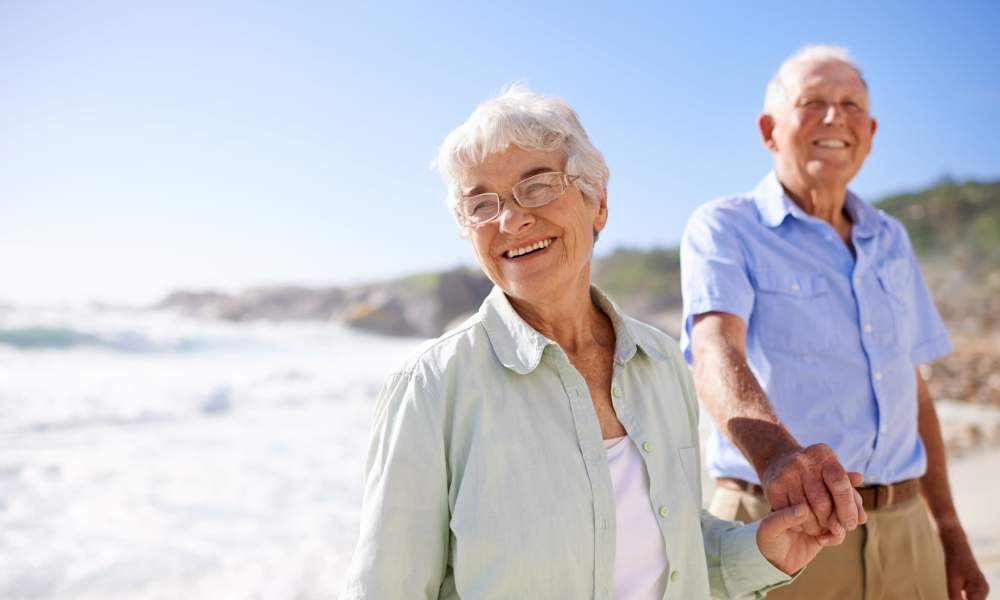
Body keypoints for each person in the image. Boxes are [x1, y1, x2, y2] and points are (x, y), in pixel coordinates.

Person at [341, 85, 844, 599]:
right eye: (482, 204)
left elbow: (673, 552)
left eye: (537, 187)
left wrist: (761, 553)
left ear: (598, 202)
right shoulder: (432, 385)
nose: (511, 220)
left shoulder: (662, 361)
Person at [681, 46, 990, 599]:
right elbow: (713, 350)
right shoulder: (725, 227)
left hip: (907, 529)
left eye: (850, 104)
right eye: (813, 102)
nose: (834, 117)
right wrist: (778, 456)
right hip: (782, 525)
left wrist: (949, 532)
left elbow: (911, 389)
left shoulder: (891, 238)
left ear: (869, 132)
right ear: (768, 130)